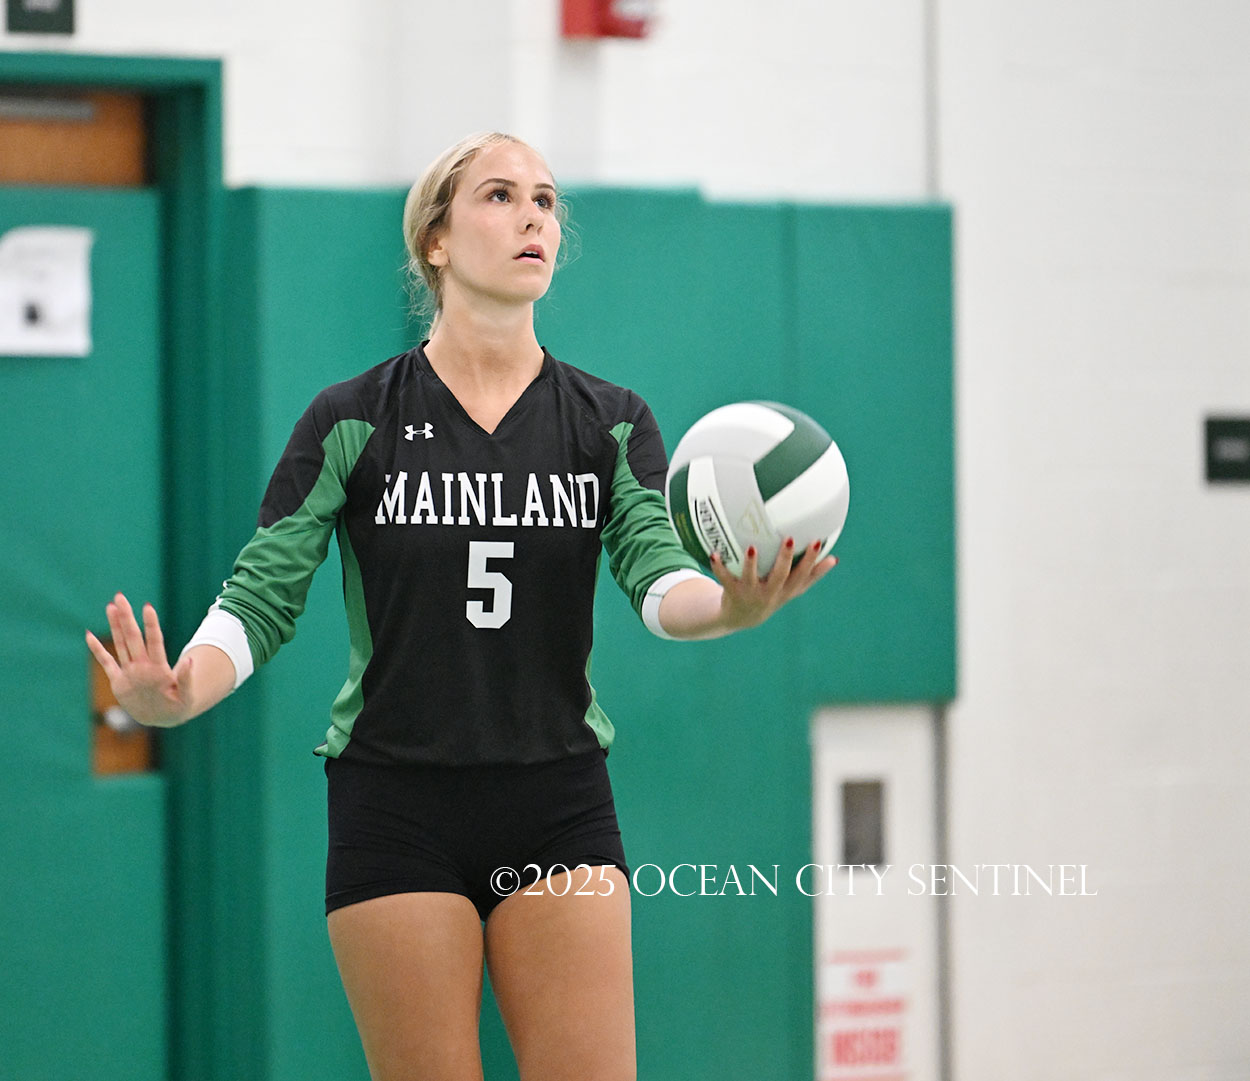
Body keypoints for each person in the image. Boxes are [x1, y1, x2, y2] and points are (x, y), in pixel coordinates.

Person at [86, 131, 837, 1081]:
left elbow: (657, 582)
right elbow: (263, 593)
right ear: (435, 241)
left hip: (558, 797)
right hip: (395, 800)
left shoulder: (609, 421)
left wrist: (731, 608)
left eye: (547, 199)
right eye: (500, 195)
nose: (533, 217)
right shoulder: (351, 417)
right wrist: (181, 690)